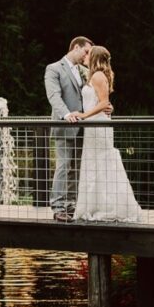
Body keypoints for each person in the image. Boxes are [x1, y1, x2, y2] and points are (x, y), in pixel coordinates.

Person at [72, 46, 143, 223]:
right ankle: (96, 205)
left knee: (101, 163)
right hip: (93, 125)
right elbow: (103, 103)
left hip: (98, 125)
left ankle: (109, 206)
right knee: (94, 164)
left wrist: (83, 116)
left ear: (94, 57)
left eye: (88, 54)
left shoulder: (98, 76)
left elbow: (104, 102)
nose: (85, 56)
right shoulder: (95, 75)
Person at [45, 36, 107, 222]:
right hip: (64, 125)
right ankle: (58, 206)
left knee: (77, 168)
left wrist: (105, 105)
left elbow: (94, 94)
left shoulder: (84, 70)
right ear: (75, 47)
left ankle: (71, 204)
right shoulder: (54, 68)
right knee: (63, 165)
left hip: (83, 127)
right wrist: (66, 115)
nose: (87, 56)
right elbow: (54, 96)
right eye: (86, 52)